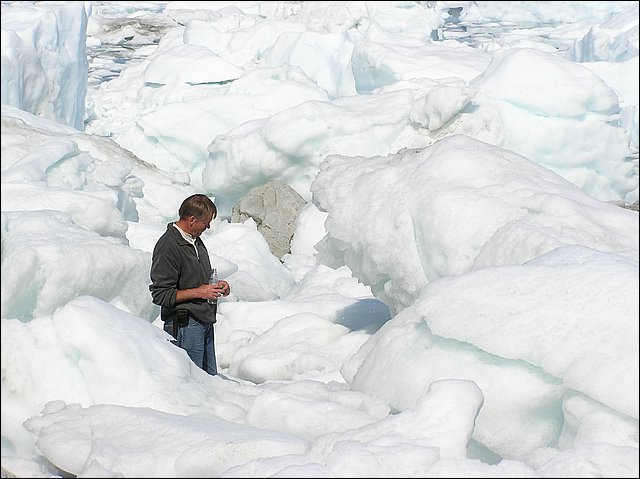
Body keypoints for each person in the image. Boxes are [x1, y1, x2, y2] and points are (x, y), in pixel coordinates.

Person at [149, 194, 230, 375]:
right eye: (206, 222)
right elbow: (160, 294)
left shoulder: (195, 241)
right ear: (192, 220)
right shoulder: (168, 246)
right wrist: (199, 292)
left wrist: (217, 285)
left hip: (204, 321)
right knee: (193, 382)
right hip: (185, 325)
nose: (208, 226)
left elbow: (195, 279)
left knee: (209, 381)